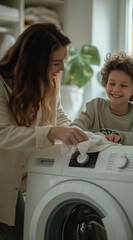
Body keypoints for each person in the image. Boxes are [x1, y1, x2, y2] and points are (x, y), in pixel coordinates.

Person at [0, 23, 88, 240]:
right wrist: (51, 133)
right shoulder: (2, 83)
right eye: (56, 63)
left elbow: (60, 118)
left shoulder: (47, 82)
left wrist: (90, 138)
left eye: (64, 61)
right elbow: (3, 133)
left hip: (12, 182)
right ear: (34, 61)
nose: (63, 69)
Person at [71, 51, 133, 145]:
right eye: (112, 84)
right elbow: (75, 127)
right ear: (105, 84)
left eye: (123, 85)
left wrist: (121, 137)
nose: (116, 89)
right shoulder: (95, 106)